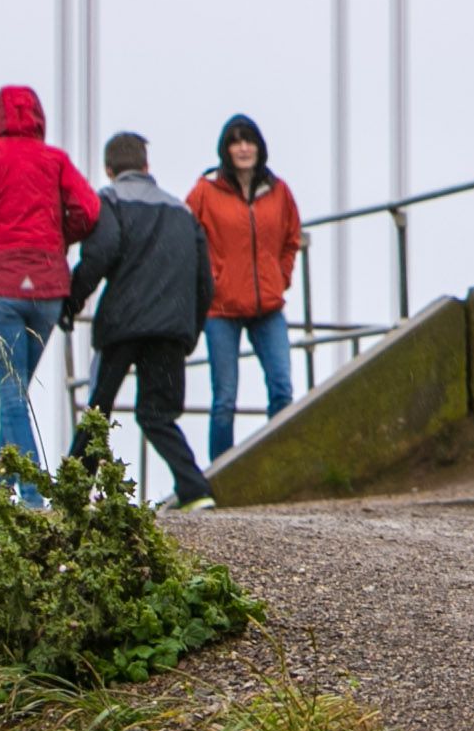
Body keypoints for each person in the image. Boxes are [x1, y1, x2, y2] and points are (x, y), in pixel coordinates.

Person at [0, 82, 100, 502]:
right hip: (49, 288)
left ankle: (32, 493)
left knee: (11, 392)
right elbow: (87, 210)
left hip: (4, 286)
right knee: (15, 392)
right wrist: (58, 241)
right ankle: (0, 487)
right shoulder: (55, 161)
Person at [64, 130, 216, 508]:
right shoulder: (182, 212)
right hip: (170, 330)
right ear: (147, 167)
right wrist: (188, 332)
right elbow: (204, 281)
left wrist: (70, 302)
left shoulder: (110, 200)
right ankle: (196, 491)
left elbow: (101, 253)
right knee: (157, 414)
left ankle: (74, 493)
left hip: (122, 325)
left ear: (109, 169)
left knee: (98, 410)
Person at [189, 112, 301, 457]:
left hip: (268, 306)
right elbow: (186, 238)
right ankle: (221, 476)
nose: (243, 148)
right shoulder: (205, 192)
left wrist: (280, 278)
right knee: (225, 398)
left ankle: (279, 467)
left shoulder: (279, 191)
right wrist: (211, 281)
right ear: (225, 149)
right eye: (235, 142)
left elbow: (291, 238)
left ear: (259, 147)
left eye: (248, 140)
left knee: (282, 388)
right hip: (221, 308)